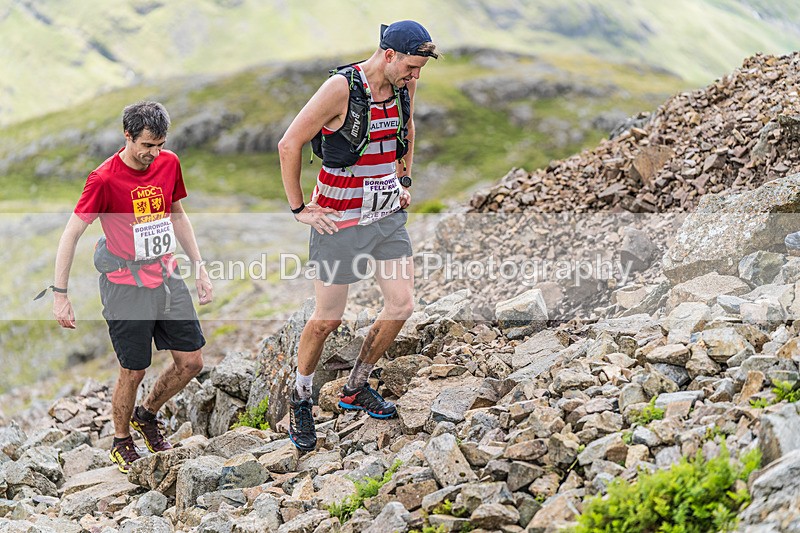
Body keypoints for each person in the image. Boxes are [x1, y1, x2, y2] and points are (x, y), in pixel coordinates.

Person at [278, 20, 438, 451]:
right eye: (410, 67)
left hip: (384, 214)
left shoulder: (404, 85)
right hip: (337, 219)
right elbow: (289, 143)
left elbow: (408, 129)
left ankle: (354, 386)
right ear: (388, 55)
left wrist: (404, 178)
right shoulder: (340, 89)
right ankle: (301, 397)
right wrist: (300, 209)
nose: (415, 77)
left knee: (401, 304)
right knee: (328, 319)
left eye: (420, 69)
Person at [50, 101, 213, 473]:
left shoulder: (169, 163)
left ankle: (147, 415)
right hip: (125, 284)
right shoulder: (103, 178)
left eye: (159, 144)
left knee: (191, 362)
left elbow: (177, 214)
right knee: (133, 370)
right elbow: (71, 233)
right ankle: (121, 441)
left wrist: (200, 268)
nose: (154, 154)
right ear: (128, 136)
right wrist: (61, 295)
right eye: (146, 145)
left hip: (166, 276)